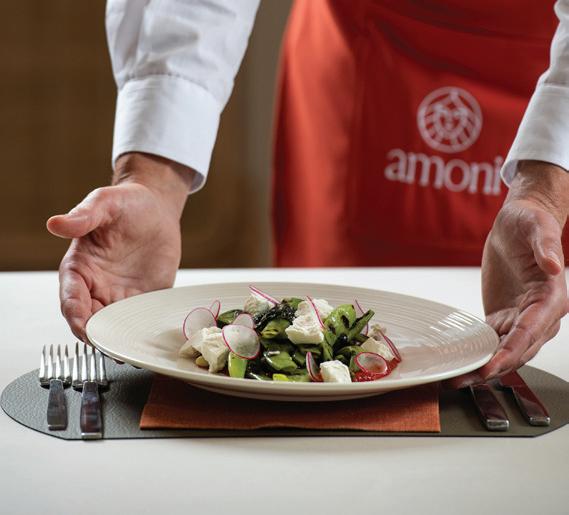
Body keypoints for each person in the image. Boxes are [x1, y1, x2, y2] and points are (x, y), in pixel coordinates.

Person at [47, 0, 569, 387]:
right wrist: (154, 179)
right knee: (327, 338)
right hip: (361, 49)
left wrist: (543, 192)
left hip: (544, 70)